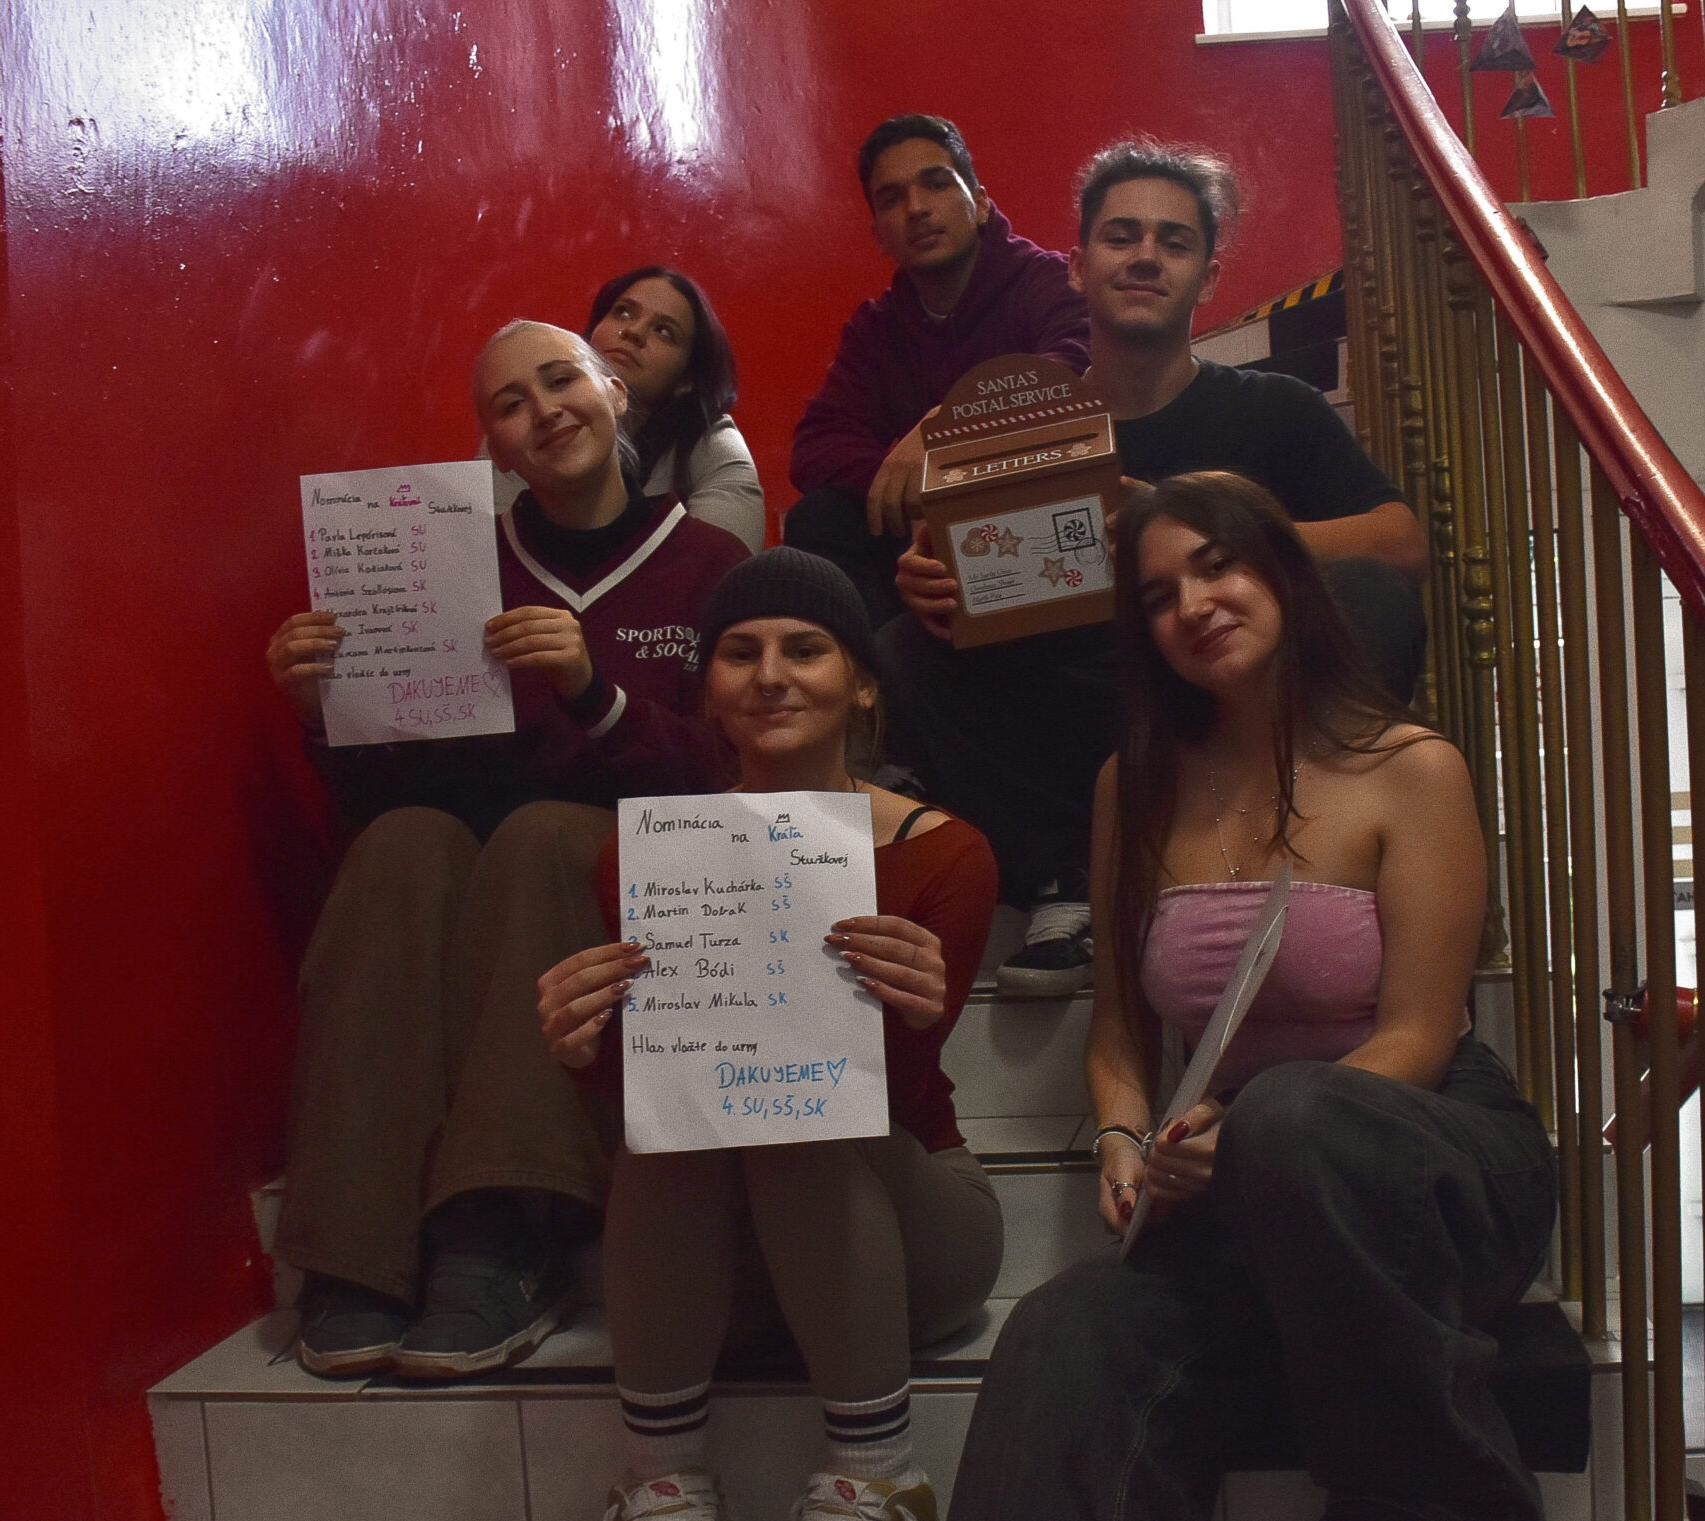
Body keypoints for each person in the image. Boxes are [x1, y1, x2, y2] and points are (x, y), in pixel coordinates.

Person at [920, 473, 1555, 1521]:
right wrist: (1121, 1137)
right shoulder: (1133, 786)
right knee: (1061, 1331)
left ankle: (1442, 1500)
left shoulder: (1411, 767)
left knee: (1295, 1117)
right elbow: (1119, 1027)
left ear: (1282, 575)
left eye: (1217, 567)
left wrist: (1253, 1139)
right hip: (1239, 1185)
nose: (1193, 606)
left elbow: (1421, 1032)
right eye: (1159, 595)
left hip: (1421, 1168)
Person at [536, 549, 1005, 1521]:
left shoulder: (944, 852)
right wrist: (584, 1046)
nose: (771, 675)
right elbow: (653, 1083)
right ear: (706, 690)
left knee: (791, 1099)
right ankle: (659, 1480)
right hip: (723, 1265)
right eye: (739, 653)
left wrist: (914, 1007)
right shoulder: (645, 860)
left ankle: (879, 1482)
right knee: (695, 1102)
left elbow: (891, 1090)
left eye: (806, 648)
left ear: (864, 682)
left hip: (907, 1230)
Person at [266, 320, 749, 1381]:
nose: (544, 412)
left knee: (541, 835)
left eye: (560, 381)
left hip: (644, 873)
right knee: (399, 845)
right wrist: (325, 714)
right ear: (492, 446)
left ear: (613, 391)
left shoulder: (712, 563)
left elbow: (731, 770)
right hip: (473, 860)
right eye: (509, 404)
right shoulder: (453, 562)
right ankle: (354, 1244)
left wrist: (593, 692)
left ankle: (505, 1227)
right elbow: (386, 796)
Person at [879, 140, 1430, 1000]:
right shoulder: (1024, 430)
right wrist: (932, 584)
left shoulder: (1272, 407)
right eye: (1121, 236)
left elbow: (1402, 543)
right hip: (1079, 717)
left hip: (1236, 707)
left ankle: (1311, 831)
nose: (1145, 256)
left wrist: (1199, 533)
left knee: (1374, 597)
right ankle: (1066, 881)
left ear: (1208, 278)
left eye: (1174, 242)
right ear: (1076, 267)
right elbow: (966, 566)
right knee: (903, 648)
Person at [786, 114, 1090, 628]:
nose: (917, 208)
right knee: (819, 519)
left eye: (936, 184)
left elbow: (1073, 371)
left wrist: (947, 431)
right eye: (892, 199)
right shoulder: (876, 328)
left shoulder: (1048, 281)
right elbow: (817, 443)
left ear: (981, 202)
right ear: (879, 235)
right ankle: (872, 666)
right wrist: (924, 489)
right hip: (923, 540)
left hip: (1040, 518)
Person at [487, 267, 766, 551]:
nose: (634, 331)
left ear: (686, 379)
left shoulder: (711, 440)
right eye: (623, 312)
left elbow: (723, 563)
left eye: (664, 332)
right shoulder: (524, 425)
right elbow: (488, 558)